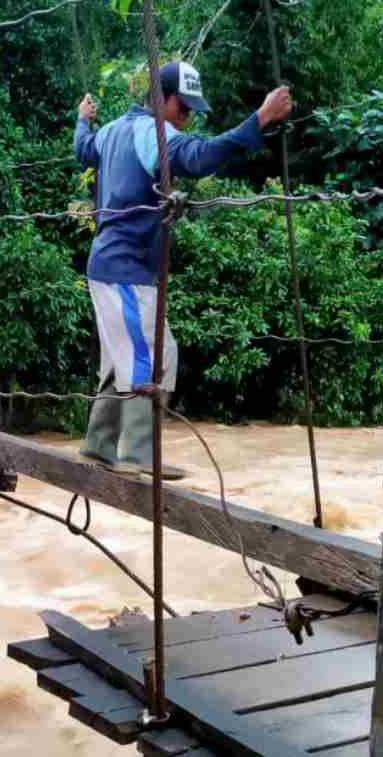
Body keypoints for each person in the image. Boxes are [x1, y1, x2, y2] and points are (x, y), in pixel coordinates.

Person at [73, 61, 292, 476]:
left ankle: (99, 447)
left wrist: (81, 121)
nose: (186, 117)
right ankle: (138, 456)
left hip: (111, 263)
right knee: (155, 354)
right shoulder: (150, 133)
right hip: (126, 266)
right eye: (183, 107)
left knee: (125, 354)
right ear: (160, 100)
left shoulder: (112, 130)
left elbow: (83, 149)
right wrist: (260, 119)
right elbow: (198, 156)